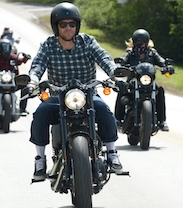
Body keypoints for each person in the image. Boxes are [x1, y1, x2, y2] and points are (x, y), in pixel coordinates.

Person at [27, 2, 123, 181]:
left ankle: (112, 152)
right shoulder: (49, 45)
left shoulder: (88, 41)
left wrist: (115, 75)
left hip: (87, 95)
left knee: (104, 110)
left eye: (72, 24)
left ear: (77, 26)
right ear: (56, 27)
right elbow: (38, 65)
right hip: (58, 96)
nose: (68, 28)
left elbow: (104, 58)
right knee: (40, 113)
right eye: (63, 24)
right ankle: (40, 159)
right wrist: (33, 81)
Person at [114, 29, 174, 131]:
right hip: (133, 80)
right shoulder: (130, 52)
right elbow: (123, 59)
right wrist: (120, 64)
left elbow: (161, 61)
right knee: (122, 88)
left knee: (160, 91)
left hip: (148, 81)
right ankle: (118, 119)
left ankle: (162, 121)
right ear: (134, 42)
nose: (140, 45)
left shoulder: (152, 53)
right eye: (137, 43)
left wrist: (167, 66)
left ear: (147, 43)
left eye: (142, 43)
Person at [0, 39, 31, 116]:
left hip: (14, 81)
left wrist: (26, 57)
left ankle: (23, 108)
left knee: (25, 86)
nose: (5, 50)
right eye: (3, 47)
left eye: (7, 47)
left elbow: (22, 60)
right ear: (0, 48)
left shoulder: (14, 58)